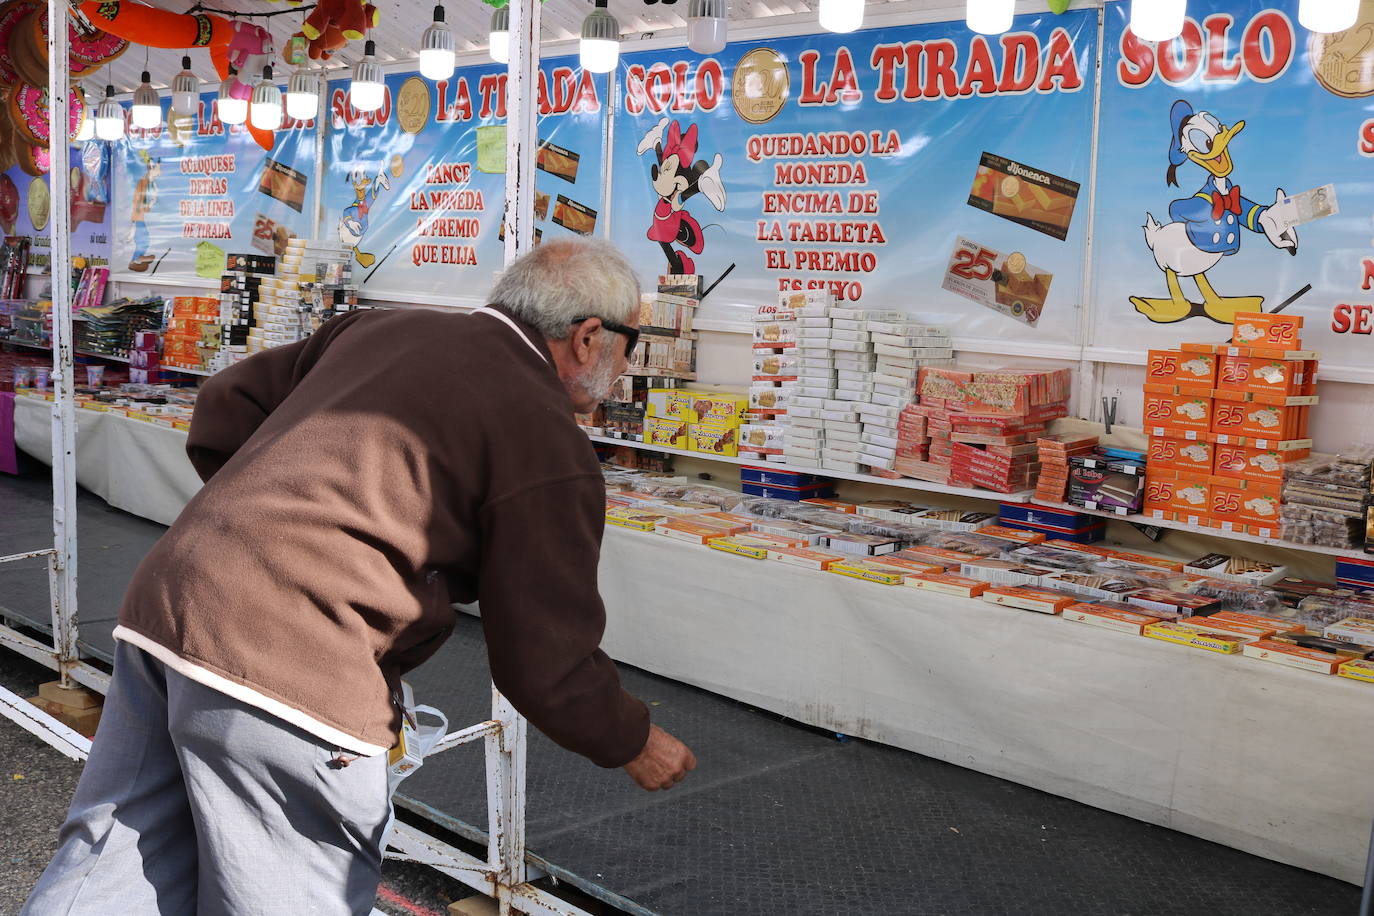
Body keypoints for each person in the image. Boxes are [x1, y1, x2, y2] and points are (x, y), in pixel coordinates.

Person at [23, 238, 697, 915]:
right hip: (295, 666)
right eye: (630, 343)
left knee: (112, 863)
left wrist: (269, 523)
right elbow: (544, 656)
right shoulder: (546, 435)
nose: (628, 364)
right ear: (587, 337)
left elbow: (225, 403)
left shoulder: (385, 325)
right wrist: (633, 739)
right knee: (288, 891)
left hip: (168, 607)